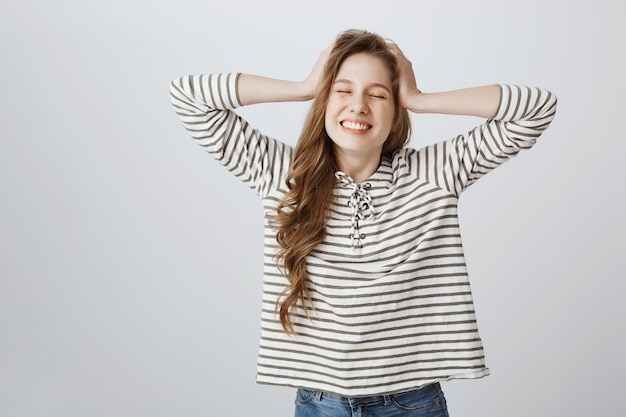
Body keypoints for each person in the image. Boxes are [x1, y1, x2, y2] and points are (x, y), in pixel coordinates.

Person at [170, 29, 557, 417]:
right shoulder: (282, 174)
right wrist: (304, 86)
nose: (358, 106)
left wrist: (419, 98)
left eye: (377, 94)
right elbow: (189, 96)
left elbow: (536, 108)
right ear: (324, 100)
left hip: (412, 403)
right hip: (319, 403)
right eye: (342, 90)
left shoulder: (435, 173)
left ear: (396, 110)